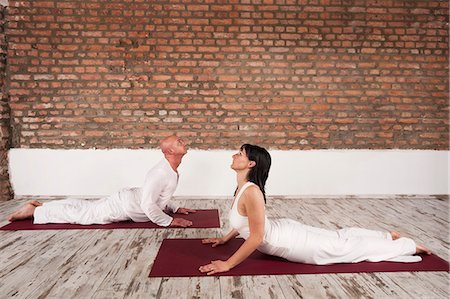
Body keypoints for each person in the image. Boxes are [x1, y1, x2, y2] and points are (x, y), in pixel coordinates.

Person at [199, 144, 431, 275]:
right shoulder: (243, 187)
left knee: (344, 248)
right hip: (286, 230)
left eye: (239, 153)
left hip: (292, 243)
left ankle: (407, 246)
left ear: (251, 164)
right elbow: (244, 222)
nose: (233, 154)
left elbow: (257, 236)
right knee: (339, 236)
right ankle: (386, 235)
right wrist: (225, 238)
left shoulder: (252, 192)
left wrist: (228, 264)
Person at [8, 135, 195, 227]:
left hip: (127, 199)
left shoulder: (169, 170)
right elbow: (148, 203)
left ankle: (40, 205)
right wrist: (169, 221)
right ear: (169, 151)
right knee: (83, 216)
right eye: (179, 142)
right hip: (121, 206)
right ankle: (36, 211)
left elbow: (158, 194)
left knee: (85, 207)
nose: (183, 142)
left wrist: (175, 208)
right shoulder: (160, 172)